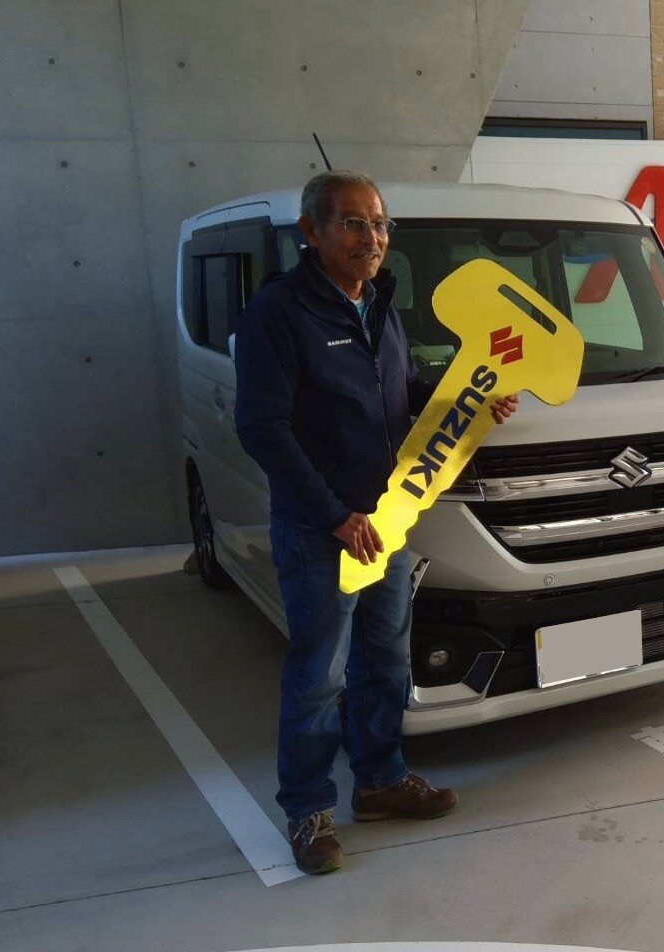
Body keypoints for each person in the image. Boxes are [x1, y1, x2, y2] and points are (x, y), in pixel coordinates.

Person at [234, 170, 518, 875]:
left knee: (385, 661)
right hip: (321, 530)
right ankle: (308, 811)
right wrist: (335, 516)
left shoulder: (379, 303)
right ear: (312, 232)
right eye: (354, 223)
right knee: (319, 675)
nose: (373, 237)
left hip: (387, 520)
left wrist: (474, 401)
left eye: (381, 224)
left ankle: (381, 782)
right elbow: (263, 429)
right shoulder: (279, 312)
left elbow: (402, 392)